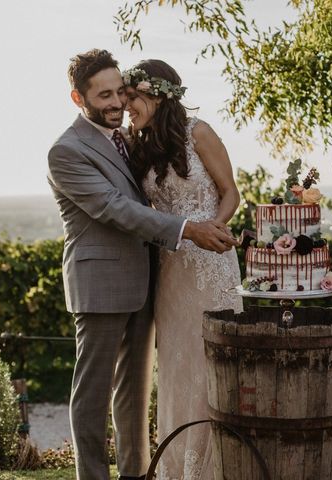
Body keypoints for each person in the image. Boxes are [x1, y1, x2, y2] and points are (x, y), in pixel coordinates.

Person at [47, 49, 238, 480]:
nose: (118, 103)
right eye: (106, 96)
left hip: (150, 280)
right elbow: (118, 209)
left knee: (135, 395)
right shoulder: (66, 151)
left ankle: (135, 474)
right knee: (93, 395)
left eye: (122, 92)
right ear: (79, 99)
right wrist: (190, 230)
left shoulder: (132, 140)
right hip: (99, 286)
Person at [123, 59, 243, 480]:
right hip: (171, 269)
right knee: (176, 364)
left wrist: (216, 225)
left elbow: (231, 193)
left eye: (132, 97)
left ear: (157, 94)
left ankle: (219, 464)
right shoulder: (139, 144)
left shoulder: (200, 134)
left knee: (211, 358)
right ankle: (178, 464)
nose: (126, 106)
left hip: (212, 263)